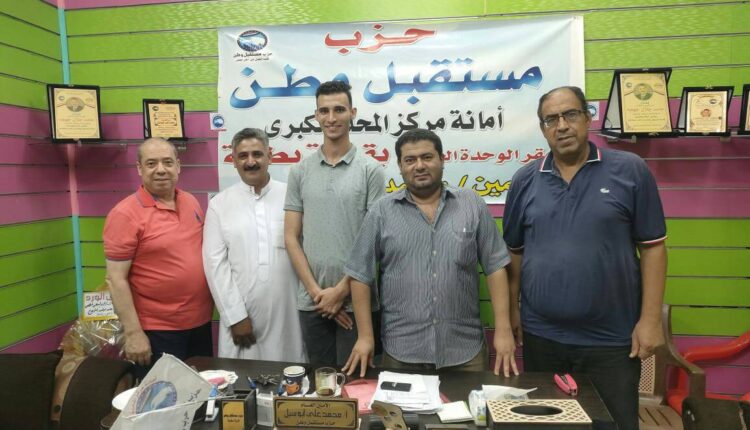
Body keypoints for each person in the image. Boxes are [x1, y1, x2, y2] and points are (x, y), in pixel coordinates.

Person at [503, 86, 667, 430]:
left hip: (612, 340)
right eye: (551, 119)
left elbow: (653, 248)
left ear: (587, 117)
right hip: (542, 337)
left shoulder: (631, 170)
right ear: (542, 128)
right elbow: (514, 254)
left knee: (613, 424)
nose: (562, 126)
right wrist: (513, 311)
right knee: (548, 425)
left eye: (570, 114)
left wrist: (650, 320)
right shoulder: (524, 180)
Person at [342, 129, 518, 377]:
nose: (419, 166)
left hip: (464, 351)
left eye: (427, 157)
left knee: (471, 405)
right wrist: (365, 337)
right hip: (401, 351)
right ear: (400, 166)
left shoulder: (472, 204)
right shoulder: (381, 211)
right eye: (410, 160)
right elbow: (360, 275)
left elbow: (496, 267)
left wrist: (503, 329)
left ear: (442, 160)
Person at [284, 80, 386, 367]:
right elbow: (291, 237)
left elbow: (374, 242)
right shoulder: (300, 171)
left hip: (358, 304)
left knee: (355, 386)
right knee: (321, 385)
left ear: (352, 113)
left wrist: (340, 292)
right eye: (324, 111)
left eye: (339, 110)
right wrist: (319, 295)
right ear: (316, 115)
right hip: (313, 303)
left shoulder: (371, 170)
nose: (331, 118)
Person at [104, 138, 214, 379]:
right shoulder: (124, 214)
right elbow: (115, 279)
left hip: (200, 324)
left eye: (167, 162)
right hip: (157, 331)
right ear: (139, 168)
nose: (161, 169)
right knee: (164, 398)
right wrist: (133, 333)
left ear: (178, 166)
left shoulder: (191, 202)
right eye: (151, 163)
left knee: (202, 395)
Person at [202, 128, 306, 362]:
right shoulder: (220, 204)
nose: (250, 162)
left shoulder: (292, 196)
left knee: (292, 373)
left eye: (257, 154)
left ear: (270, 156)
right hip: (242, 321)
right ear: (233, 161)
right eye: (243, 156)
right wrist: (235, 316)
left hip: (289, 315)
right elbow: (215, 265)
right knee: (242, 378)